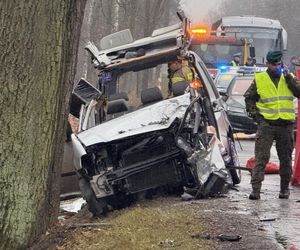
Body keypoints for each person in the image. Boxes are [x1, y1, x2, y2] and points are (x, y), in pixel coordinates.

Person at [244, 50, 300, 200]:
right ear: (268, 64)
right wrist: (257, 118)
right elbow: (249, 99)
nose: (278, 67)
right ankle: (256, 190)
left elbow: (299, 92)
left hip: (285, 125)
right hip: (267, 124)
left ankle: (284, 190)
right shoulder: (260, 79)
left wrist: (289, 78)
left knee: (286, 159)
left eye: (280, 64)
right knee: (261, 158)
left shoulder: (288, 77)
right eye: (275, 64)